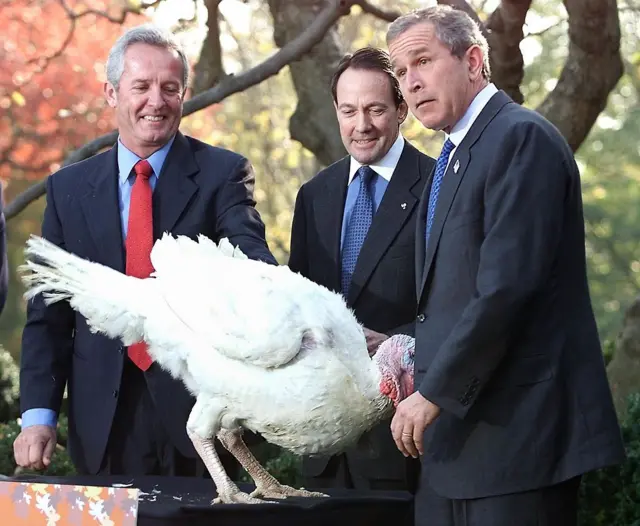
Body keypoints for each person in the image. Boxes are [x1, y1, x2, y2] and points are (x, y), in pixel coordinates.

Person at [385, 6, 626, 525]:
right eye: (401, 73)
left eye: (423, 61)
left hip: (519, 444)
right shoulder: (451, 155)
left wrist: (432, 393)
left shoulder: (521, 138)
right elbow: (450, 299)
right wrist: (398, 344)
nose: (411, 83)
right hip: (453, 449)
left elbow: (508, 289)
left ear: (473, 61)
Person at [14, 24, 276, 477]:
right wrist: (39, 415)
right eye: (141, 86)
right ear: (111, 93)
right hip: (102, 425)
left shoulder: (223, 174)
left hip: (204, 420)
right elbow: (47, 316)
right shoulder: (67, 190)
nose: (156, 101)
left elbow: (253, 263)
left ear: (184, 95)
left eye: (169, 88)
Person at [288, 47, 435, 492]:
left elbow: (462, 301)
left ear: (402, 109)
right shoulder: (314, 196)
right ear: (335, 110)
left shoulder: (438, 186)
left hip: (406, 440)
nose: (362, 125)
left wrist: (399, 342)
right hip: (324, 448)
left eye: (375, 109)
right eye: (349, 111)